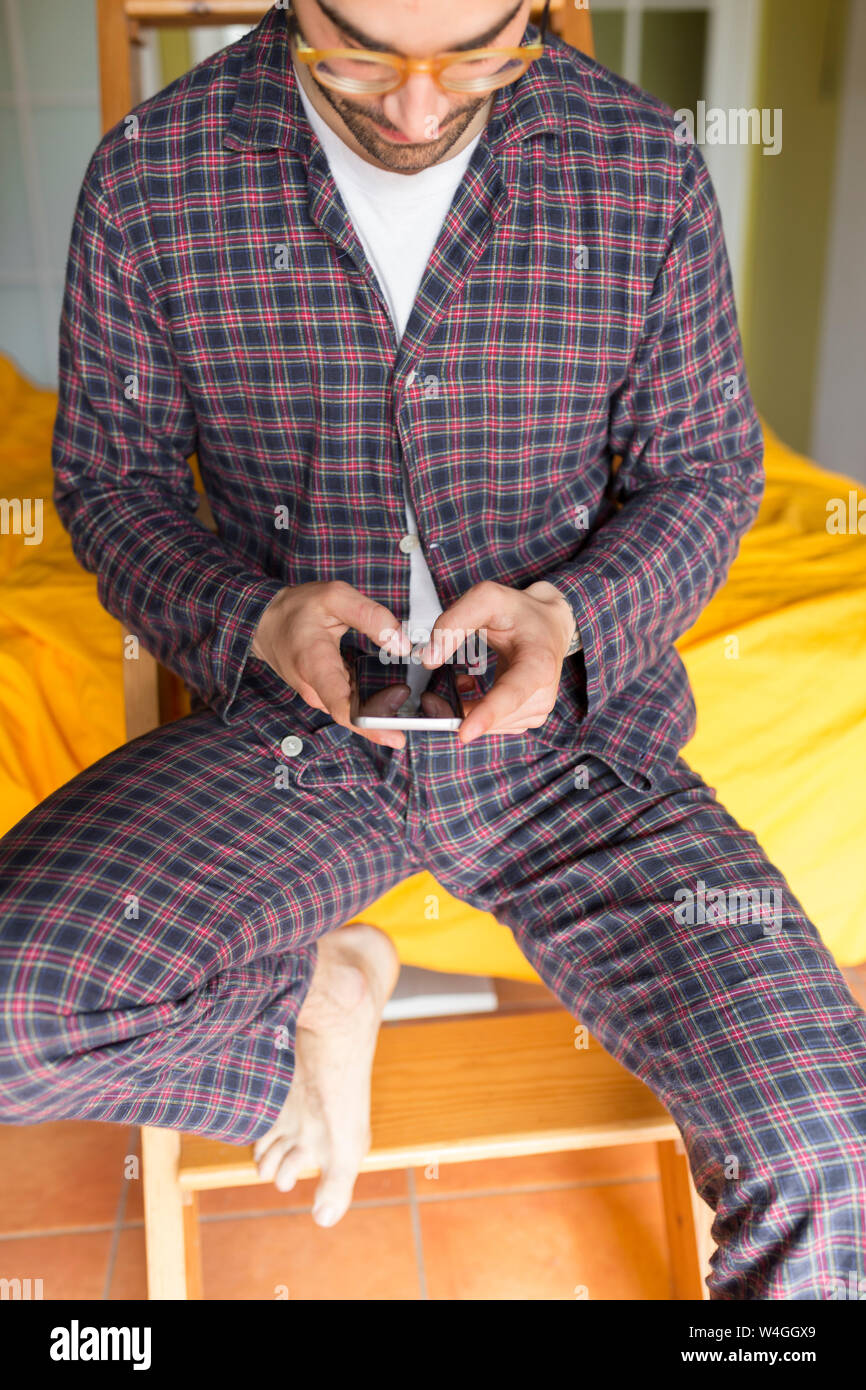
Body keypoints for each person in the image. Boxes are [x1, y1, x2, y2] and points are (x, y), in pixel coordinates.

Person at [1, 0, 864, 1300]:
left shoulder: (639, 166)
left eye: (475, 55)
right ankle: (313, 993)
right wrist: (250, 618)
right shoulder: (152, 174)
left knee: (825, 1147)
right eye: (356, 54)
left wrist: (574, 619)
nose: (413, 107)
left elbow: (702, 472)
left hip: (567, 745)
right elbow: (111, 482)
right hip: (288, 737)